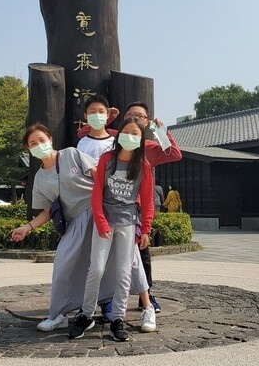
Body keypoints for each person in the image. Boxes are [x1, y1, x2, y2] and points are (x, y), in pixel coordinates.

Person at [10, 123, 149, 331]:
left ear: (50, 139)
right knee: (65, 261)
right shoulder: (39, 178)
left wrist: (119, 202)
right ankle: (60, 314)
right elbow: (48, 211)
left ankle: (147, 306)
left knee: (130, 261)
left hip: (101, 211)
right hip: (77, 221)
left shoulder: (71, 154)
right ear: (28, 149)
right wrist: (27, 227)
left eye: (41, 140)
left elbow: (98, 174)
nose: (39, 145)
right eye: (33, 143)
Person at [78, 100, 182, 313]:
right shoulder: (116, 136)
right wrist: (109, 116)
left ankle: (146, 298)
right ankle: (102, 303)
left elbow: (174, 154)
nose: (134, 118)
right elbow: (84, 133)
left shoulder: (149, 147)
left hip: (134, 208)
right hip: (108, 207)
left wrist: (161, 132)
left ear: (147, 121)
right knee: (103, 261)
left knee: (140, 256)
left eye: (141, 116)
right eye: (130, 114)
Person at [70, 117, 155, 342]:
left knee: (123, 273)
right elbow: (97, 193)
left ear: (141, 139)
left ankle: (117, 319)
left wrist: (145, 228)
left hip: (128, 223)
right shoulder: (107, 159)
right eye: (126, 132)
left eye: (135, 134)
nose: (130, 136)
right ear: (118, 136)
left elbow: (147, 201)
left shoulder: (143, 166)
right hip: (105, 222)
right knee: (96, 268)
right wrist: (101, 221)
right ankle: (86, 314)